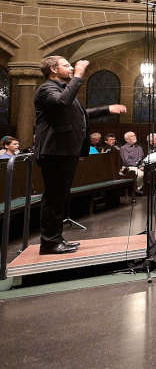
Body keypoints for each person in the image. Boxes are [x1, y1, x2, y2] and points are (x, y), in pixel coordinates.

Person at [33, 56, 126, 254]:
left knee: (60, 197)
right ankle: (49, 243)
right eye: (66, 65)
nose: (71, 68)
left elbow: (81, 113)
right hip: (54, 151)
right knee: (54, 198)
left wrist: (108, 109)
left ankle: (55, 239)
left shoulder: (62, 90)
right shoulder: (47, 89)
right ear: (53, 69)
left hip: (65, 151)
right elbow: (62, 103)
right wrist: (79, 75)